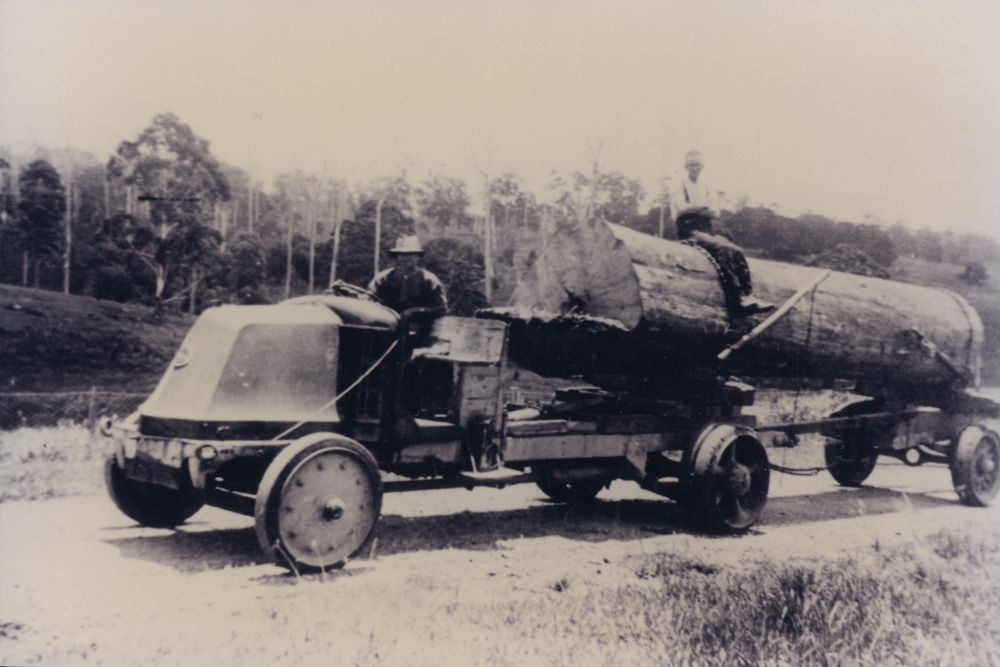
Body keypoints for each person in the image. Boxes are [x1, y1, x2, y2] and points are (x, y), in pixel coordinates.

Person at [670, 150, 774, 316]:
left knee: (737, 251)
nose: (694, 168)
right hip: (689, 230)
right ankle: (738, 297)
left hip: (706, 229)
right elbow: (681, 209)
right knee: (721, 248)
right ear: (685, 166)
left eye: (697, 165)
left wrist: (695, 207)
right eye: (691, 165)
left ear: (702, 166)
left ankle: (749, 295)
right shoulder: (678, 183)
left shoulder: (705, 184)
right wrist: (703, 207)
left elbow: (714, 212)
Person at [368, 235, 448, 314]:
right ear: (398, 256)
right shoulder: (384, 277)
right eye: (402, 255)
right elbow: (369, 297)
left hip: (420, 323)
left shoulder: (429, 279)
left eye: (410, 254)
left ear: (417, 257)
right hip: (388, 321)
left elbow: (441, 308)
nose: (405, 258)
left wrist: (414, 312)